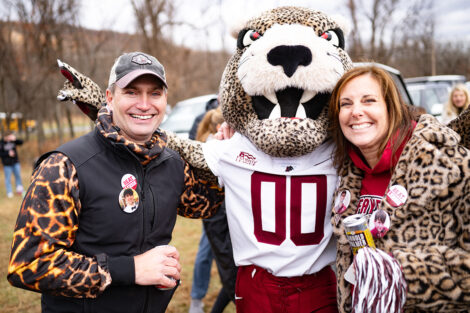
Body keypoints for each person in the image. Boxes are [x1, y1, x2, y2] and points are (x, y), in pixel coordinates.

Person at [7, 51, 222, 313]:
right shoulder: (65, 166)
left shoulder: (173, 164)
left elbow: (207, 205)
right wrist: (130, 270)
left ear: (165, 100)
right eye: (131, 92)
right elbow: (29, 264)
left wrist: (223, 153)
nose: (144, 104)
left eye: (155, 93)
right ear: (109, 98)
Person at [328, 65, 470, 312]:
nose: (356, 112)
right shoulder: (344, 171)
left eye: (369, 100)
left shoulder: (451, 167)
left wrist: (397, 274)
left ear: (391, 107)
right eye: (346, 104)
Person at [190, 107, 237, 313]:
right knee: (228, 271)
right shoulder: (213, 149)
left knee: (230, 271)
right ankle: (196, 301)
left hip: (222, 218)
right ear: (221, 127)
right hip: (218, 217)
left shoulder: (213, 145)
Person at [0, 131, 24, 198]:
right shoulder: (1, 143)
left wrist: (15, 139)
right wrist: (8, 153)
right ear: (4, 137)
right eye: (7, 137)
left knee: (18, 176)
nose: (8, 138)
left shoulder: (13, 141)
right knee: (8, 178)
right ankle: (9, 192)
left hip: (15, 162)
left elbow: (21, 142)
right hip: (7, 164)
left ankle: (19, 190)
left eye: (10, 137)